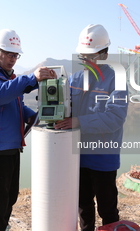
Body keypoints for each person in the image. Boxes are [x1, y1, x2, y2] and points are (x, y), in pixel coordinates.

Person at [0, 28, 56, 231]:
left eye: (16, 55)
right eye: (9, 54)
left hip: (11, 147)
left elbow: (14, 104)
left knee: (9, 198)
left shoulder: (9, 78)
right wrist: (31, 79)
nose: (13, 59)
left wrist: (36, 115)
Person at [54, 24, 129, 231]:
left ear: (104, 54)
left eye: (91, 56)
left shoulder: (116, 80)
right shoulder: (74, 80)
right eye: (83, 56)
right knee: (83, 208)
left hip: (104, 158)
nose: (86, 61)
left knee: (108, 212)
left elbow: (115, 117)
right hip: (77, 158)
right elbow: (63, 110)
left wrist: (79, 121)